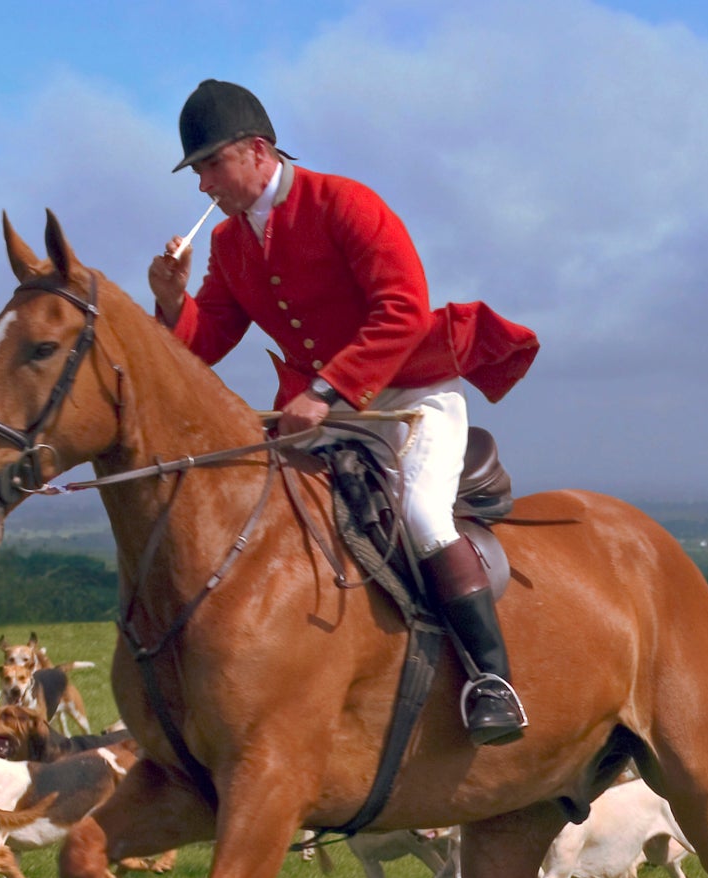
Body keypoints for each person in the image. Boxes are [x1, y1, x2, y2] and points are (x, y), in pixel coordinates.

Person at [146, 80, 540, 746]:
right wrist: (172, 302)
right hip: (321, 411)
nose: (204, 184)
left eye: (212, 164)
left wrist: (325, 393)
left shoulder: (345, 203)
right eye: (199, 171)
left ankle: (490, 680)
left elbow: (402, 311)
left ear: (258, 151)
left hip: (412, 395)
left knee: (419, 514)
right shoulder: (231, 244)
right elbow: (204, 342)